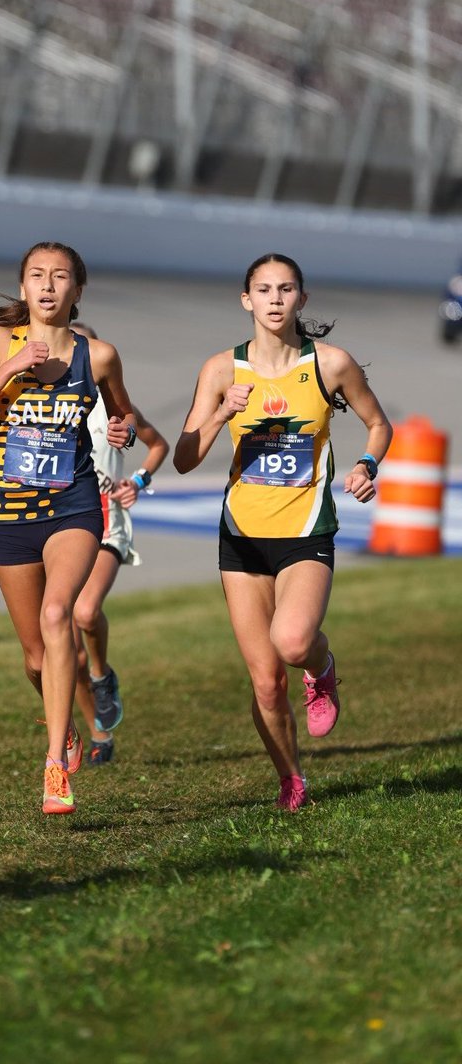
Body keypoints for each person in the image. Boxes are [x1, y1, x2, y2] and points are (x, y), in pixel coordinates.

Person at [173, 253, 392, 811]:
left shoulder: (331, 364)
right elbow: (183, 458)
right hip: (241, 538)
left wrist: (367, 465)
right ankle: (291, 779)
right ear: (246, 300)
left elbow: (377, 423)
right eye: (264, 290)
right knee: (266, 683)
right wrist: (221, 411)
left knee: (292, 642)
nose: (274, 299)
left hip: (305, 532)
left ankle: (322, 667)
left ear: (302, 299)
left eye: (286, 289)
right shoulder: (222, 369)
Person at [0, 243, 137, 815]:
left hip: (72, 507)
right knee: (35, 656)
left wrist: (121, 431)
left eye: (60, 278)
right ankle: (71, 730)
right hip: (8, 514)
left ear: (78, 290)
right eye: (37, 276)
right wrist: (8, 368)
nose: (48, 286)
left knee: (60, 616)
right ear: (23, 288)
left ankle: (55, 764)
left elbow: (123, 413)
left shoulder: (96, 355)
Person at [70, 321, 169, 765]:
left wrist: (139, 480)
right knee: (63, 649)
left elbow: (157, 444)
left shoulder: (114, 408)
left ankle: (102, 674)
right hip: (62, 524)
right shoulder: (46, 402)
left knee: (86, 611)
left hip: (109, 522)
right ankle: (98, 734)